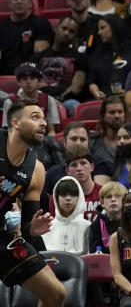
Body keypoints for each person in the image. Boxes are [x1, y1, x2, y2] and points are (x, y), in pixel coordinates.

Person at [0, 102, 67, 305]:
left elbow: (28, 225)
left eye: (44, 118)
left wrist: (33, 229)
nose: (44, 123)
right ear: (16, 122)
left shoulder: (36, 169)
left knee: (56, 294)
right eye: (35, 117)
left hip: (3, 236)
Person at [42, 175, 90, 254]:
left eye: (73, 195)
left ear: (80, 198)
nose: (68, 198)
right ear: (56, 198)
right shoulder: (47, 227)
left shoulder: (88, 227)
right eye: (63, 195)